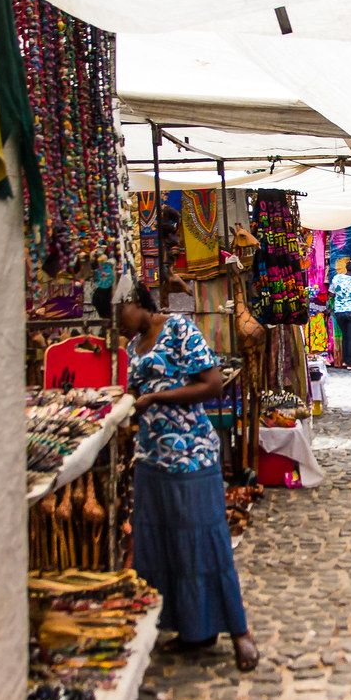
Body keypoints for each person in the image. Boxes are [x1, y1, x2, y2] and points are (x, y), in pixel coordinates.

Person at [116, 282, 259, 670]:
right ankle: (192, 629)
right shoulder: (132, 348)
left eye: (118, 312)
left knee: (205, 540)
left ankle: (239, 632)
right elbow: (138, 391)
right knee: (162, 547)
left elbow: (210, 384)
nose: (117, 323)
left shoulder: (178, 329)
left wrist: (157, 397)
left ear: (135, 302)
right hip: (151, 457)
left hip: (192, 456)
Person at [328, 260, 351, 370]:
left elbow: (331, 293)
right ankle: (350, 363)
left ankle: (344, 361)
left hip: (339, 312)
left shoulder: (336, 278)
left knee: (345, 336)